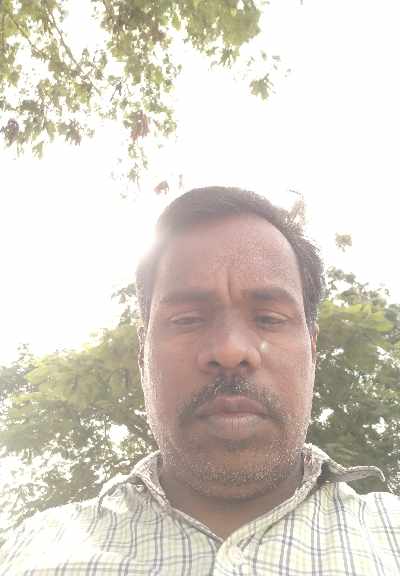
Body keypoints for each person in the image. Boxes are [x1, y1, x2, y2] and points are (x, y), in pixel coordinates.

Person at [1, 186, 399, 575]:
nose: (229, 350)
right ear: (142, 352)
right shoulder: (30, 552)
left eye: (268, 319)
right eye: (188, 319)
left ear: (312, 348)